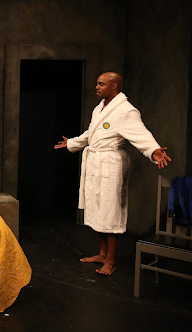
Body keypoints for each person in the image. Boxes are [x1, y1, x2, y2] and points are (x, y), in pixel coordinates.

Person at [54, 71, 170, 276]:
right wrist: (72, 143)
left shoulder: (126, 110)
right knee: (98, 208)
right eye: (97, 84)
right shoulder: (99, 108)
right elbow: (91, 134)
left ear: (114, 86)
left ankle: (110, 260)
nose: (96, 87)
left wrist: (153, 150)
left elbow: (140, 133)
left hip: (110, 163)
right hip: (95, 162)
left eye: (101, 84)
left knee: (110, 210)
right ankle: (102, 253)